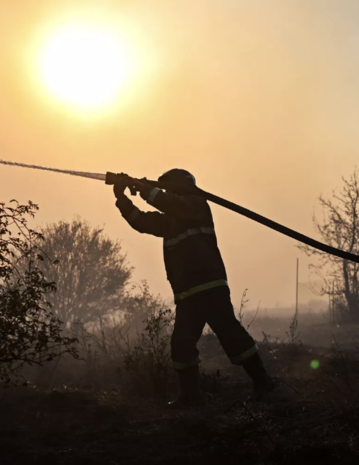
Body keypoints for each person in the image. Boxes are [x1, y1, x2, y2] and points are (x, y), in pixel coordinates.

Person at [112, 169, 276, 407]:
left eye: (169, 188)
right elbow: (141, 221)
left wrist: (144, 189)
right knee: (181, 344)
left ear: (181, 188)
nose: (167, 193)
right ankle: (190, 396)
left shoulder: (196, 205)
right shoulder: (171, 220)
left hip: (210, 287)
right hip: (187, 294)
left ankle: (264, 383)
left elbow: (168, 202)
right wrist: (121, 198)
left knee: (231, 335)